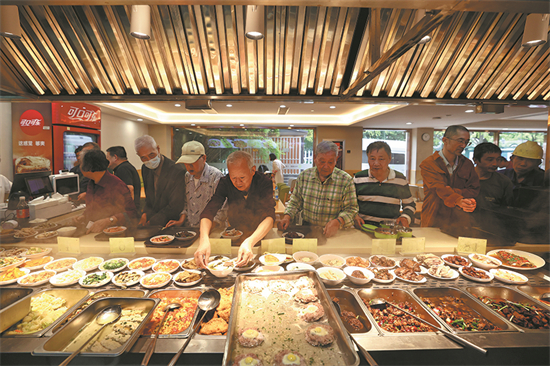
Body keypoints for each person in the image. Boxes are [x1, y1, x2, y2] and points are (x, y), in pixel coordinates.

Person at [195, 151, 275, 268]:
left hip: (260, 235)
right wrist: (203, 240)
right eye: (234, 177)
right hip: (234, 236)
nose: (237, 182)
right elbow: (209, 210)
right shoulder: (225, 182)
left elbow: (270, 216)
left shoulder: (264, 182)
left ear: (252, 170)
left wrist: (250, 241)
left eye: (242, 177)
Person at [278, 141, 358, 237]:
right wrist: (287, 216)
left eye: (330, 162)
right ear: (315, 159)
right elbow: (295, 201)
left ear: (336, 160)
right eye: (322, 161)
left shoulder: (346, 180)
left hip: (333, 231)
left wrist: (339, 221)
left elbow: (351, 209)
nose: (326, 166)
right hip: (307, 228)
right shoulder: (304, 176)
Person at [419, 125, 480, 228]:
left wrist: (454, 194)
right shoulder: (429, 163)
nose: (463, 145)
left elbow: (474, 190)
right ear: (445, 140)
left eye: (466, 142)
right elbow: (438, 188)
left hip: (459, 220)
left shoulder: (467, 164)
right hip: (434, 217)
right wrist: (458, 199)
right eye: (460, 141)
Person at [73, 149, 138, 233]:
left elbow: (132, 213)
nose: (79, 166)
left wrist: (109, 220)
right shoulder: (91, 183)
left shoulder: (116, 185)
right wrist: (84, 216)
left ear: (89, 168)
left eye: (81, 163)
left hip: (114, 234)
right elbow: (93, 208)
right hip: (94, 232)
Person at [353, 141, 416, 227]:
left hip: (390, 229)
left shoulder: (400, 179)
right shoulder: (358, 178)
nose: (376, 163)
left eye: (381, 159)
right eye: (372, 158)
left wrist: (405, 217)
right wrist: (354, 216)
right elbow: (350, 205)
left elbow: (409, 204)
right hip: (363, 228)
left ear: (389, 159)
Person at [166, 141, 225, 228]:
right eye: (186, 162)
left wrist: (206, 230)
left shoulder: (216, 176)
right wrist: (180, 221)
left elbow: (222, 209)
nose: (189, 166)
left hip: (212, 229)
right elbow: (186, 203)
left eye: (192, 162)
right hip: (190, 228)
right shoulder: (187, 176)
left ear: (204, 158)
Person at [135, 135, 186, 227]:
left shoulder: (176, 170)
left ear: (158, 149)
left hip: (171, 222)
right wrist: (145, 214)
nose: (149, 160)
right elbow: (149, 199)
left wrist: (152, 222)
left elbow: (175, 205)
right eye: (144, 158)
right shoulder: (145, 168)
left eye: (151, 155)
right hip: (153, 221)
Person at [473, 142, 513, 209]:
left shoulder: (503, 182)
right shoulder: (461, 178)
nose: (495, 164)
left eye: (498, 160)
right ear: (475, 160)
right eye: (490, 160)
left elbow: (507, 208)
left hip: (493, 218)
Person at [106, 146, 142, 212]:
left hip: (128, 213)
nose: (106, 162)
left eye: (108, 159)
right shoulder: (125, 167)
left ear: (115, 157)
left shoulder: (123, 169)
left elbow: (129, 189)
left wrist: (126, 213)